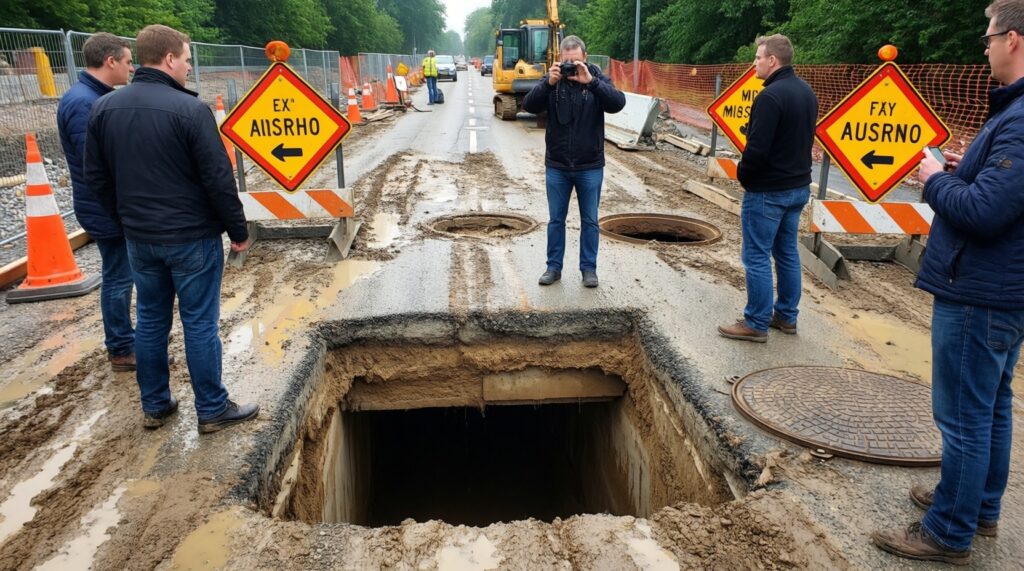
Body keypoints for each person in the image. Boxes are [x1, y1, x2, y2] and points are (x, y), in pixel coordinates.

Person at [871, 1, 1024, 564]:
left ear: (1013, 39)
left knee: (962, 417)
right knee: (991, 407)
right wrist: (969, 167)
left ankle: (947, 531)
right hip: (1001, 290)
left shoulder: (1021, 118)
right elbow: (1004, 190)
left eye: (988, 37)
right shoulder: (1013, 114)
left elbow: (985, 213)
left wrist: (936, 179)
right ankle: (979, 508)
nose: (983, 47)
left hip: (980, 293)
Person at [85, 24, 258, 433]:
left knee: (149, 319)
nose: (187, 67)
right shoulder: (191, 111)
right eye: (185, 59)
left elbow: (97, 177)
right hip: (191, 238)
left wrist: (123, 221)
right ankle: (212, 410)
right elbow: (218, 179)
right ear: (168, 59)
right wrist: (238, 229)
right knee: (199, 322)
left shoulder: (104, 109)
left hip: (140, 240)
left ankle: (156, 405)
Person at [717, 34, 817, 343]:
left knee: (756, 255)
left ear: (773, 60)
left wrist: (745, 177)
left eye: (758, 58)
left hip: (768, 191)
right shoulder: (806, 92)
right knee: (786, 252)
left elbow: (756, 150)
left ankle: (757, 322)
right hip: (798, 187)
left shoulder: (770, 97)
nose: (755, 63)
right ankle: (786, 317)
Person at [57, 33, 136, 371]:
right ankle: (121, 348)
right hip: (104, 207)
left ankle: (125, 341)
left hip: (105, 204)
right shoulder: (84, 103)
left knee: (122, 273)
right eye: (129, 62)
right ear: (111, 61)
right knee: (119, 276)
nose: (132, 69)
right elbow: (97, 165)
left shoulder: (92, 97)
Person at [522, 35, 625, 288]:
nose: (571, 67)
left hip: (589, 165)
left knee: (590, 221)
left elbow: (618, 103)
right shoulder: (552, 80)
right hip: (557, 165)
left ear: (585, 59)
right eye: (567, 62)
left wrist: (591, 83)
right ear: (560, 59)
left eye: (576, 62)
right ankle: (553, 268)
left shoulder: (596, 79)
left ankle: (589, 269)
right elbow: (529, 105)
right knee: (556, 220)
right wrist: (549, 82)